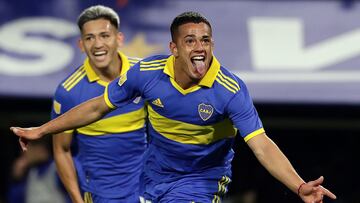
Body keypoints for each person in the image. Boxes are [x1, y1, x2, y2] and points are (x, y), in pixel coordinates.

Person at [11, 11, 336, 203]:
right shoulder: (147, 74)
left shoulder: (230, 90)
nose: (200, 47)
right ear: (174, 48)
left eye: (205, 40)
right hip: (152, 177)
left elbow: (261, 145)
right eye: (190, 40)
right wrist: (41, 129)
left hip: (202, 179)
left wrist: (298, 185)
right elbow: (96, 107)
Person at [50, 5, 147, 203]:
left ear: (119, 39)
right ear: (81, 44)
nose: (97, 44)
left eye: (104, 35)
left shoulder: (144, 73)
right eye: (90, 38)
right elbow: (61, 149)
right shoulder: (69, 91)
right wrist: (77, 200)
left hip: (148, 190)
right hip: (100, 195)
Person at [7, 137, 71, 203]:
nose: (23, 153)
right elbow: (15, 200)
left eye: (26, 148)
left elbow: (73, 195)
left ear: (39, 148)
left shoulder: (58, 169)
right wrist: (17, 179)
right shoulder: (31, 172)